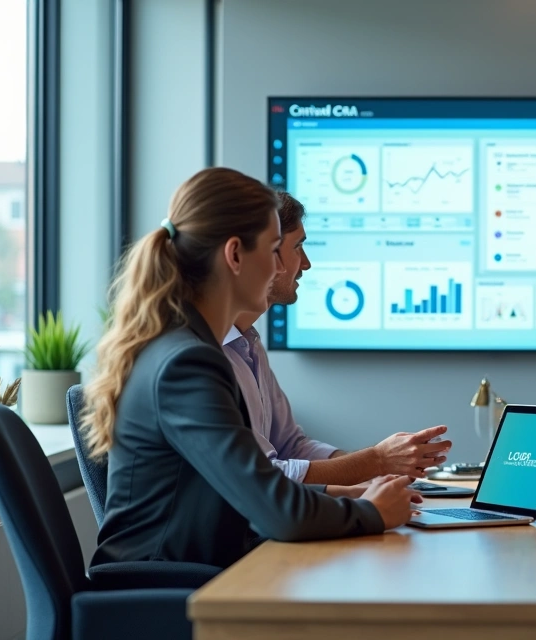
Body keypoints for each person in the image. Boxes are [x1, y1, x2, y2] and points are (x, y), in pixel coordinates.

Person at [82, 168, 418, 569]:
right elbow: (276, 509)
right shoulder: (186, 363)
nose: (282, 267)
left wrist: (356, 496)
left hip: (190, 573)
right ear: (236, 255)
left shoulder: (184, 346)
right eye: (275, 248)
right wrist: (374, 513)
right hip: (163, 590)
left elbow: (262, 487)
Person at [222, 191, 452, 497]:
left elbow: (293, 446)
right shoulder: (206, 357)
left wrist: (371, 476)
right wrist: (376, 462)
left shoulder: (248, 344)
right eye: (298, 247)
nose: (306, 264)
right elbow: (266, 478)